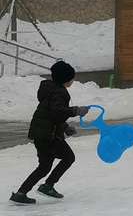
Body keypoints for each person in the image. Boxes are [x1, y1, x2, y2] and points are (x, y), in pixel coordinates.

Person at [11, 61, 90, 205]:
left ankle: (21, 193)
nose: (73, 80)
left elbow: (50, 114)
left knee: (44, 166)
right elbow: (56, 111)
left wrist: (65, 127)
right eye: (72, 77)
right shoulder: (60, 91)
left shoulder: (49, 89)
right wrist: (75, 111)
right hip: (49, 135)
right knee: (68, 157)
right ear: (66, 79)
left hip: (40, 133)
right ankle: (49, 185)